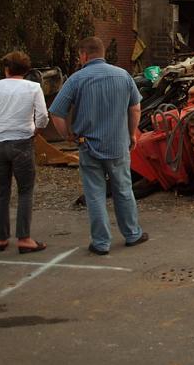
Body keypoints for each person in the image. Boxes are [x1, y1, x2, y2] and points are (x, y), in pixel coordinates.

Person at [49, 36, 148, 255]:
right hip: (118, 145)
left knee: (95, 194)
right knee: (123, 189)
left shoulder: (76, 79)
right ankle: (132, 234)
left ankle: (101, 243)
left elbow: (56, 112)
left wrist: (67, 135)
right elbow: (135, 108)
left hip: (88, 147)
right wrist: (132, 133)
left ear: (84, 55)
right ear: (102, 53)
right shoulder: (123, 76)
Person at [0, 51, 49, 254]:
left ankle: (1, 238)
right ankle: (24, 238)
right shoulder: (34, 87)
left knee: (1, 191)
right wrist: (36, 130)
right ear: (27, 70)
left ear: (6, 69)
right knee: (25, 191)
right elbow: (43, 116)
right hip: (23, 142)